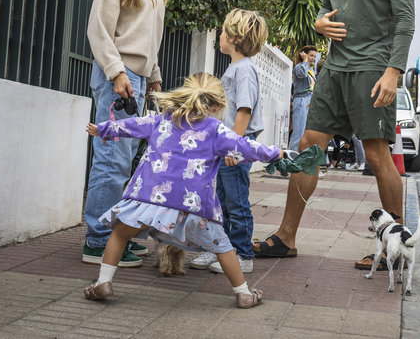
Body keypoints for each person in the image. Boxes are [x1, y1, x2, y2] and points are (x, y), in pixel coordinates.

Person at [252, 0, 415, 271]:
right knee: (309, 145)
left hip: (373, 67)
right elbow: (326, 8)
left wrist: (393, 72)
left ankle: (396, 248)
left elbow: (405, 19)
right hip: (335, 67)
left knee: (376, 154)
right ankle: (286, 237)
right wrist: (318, 23)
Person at [83, 73, 283, 308]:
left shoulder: (162, 119)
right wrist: (276, 153)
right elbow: (246, 146)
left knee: (119, 233)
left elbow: (131, 125)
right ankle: (243, 293)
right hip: (193, 205)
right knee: (223, 246)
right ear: (217, 106)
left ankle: (103, 283)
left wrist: (103, 129)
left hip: (149, 199)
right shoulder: (216, 130)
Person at [83, 0, 173, 267]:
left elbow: (146, 36)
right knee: (112, 161)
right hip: (117, 78)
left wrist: (153, 75)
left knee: (124, 162)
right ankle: (98, 240)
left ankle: (112, 236)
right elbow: (98, 29)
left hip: (134, 77)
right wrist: (117, 72)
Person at [188, 9, 269, 274]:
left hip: (236, 145)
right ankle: (219, 249)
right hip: (227, 145)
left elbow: (244, 110)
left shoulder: (244, 70)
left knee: (236, 202)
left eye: (223, 31)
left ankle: (243, 255)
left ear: (234, 37)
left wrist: (234, 147)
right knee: (220, 202)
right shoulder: (235, 68)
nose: (220, 35)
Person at [289, 45, 318, 152]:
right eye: (311, 55)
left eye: (314, 56)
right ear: (304, 55)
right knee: (298, 132)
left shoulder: (310, 69)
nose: (313, 58)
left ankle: (301, 156)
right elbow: (302, 74)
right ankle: (293, 157)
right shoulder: (299, 67)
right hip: (301, 99)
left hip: (309, 101)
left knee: (307, 133)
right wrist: (305, 61)